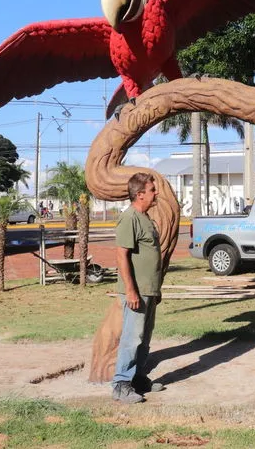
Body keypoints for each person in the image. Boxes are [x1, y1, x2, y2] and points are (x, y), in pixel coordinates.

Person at [111, 172, 166, 404]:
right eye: (152, 190)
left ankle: (138, 378)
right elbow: (121, 255)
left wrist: (156, 289)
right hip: (136, 291)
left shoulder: (146, 218)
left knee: (145, 338)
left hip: (149, 289)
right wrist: (131, 290)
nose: (156, 193)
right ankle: (121, 385)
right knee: (132, 338)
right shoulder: (130, 217)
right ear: (140, 194)